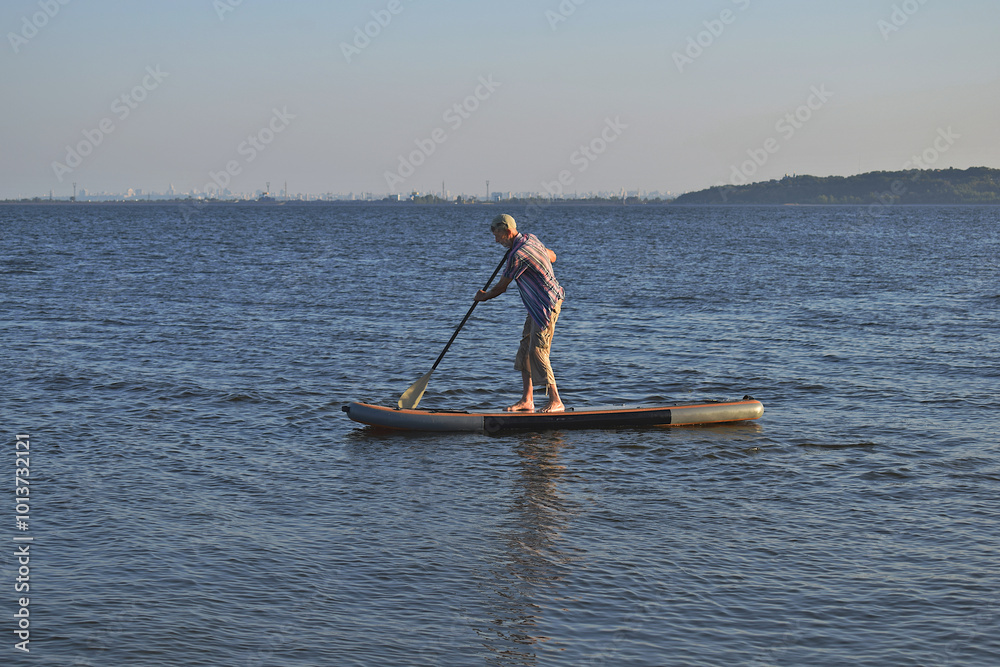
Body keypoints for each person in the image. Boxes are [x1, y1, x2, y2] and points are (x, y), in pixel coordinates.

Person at [474, 214, 566, 413]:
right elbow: (553, 256)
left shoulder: (517, 255)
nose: (496, 241)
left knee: (537, 351)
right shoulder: (530, 239)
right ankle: (527, 400)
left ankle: (556, 400)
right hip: (534, 305)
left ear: (508, 232)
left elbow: (501, 288)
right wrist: (540, 254)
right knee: (525, 349)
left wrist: (483, 296)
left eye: (498, 236)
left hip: (547, 305)